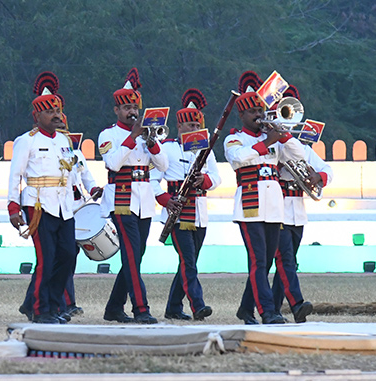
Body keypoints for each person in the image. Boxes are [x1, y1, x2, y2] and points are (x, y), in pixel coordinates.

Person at [8, 72, 96, 324]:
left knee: (67, 256)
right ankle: (41, 309)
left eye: (58, 111)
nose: (56, 115)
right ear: (37, 116)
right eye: (50, 112)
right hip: (38, 205)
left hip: (64, 207)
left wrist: (90, 190)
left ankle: (50, 304)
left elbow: (75, 169)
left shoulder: (65, 140)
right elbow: (15, 175)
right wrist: (13, 206)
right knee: (46, 259)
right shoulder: (26, 141)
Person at [226, 71, 306, 325]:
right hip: (250, 206)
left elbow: (299, 155)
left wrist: (283, 134)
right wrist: (268, 141)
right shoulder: (234, 138)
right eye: (253, 113)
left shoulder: (270, 135)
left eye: (261, 111)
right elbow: (239, 158)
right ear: (242, 115)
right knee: (258, 261)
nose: (259, 116)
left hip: (274, 207)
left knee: (267, 262)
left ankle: (246, 309)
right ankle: (268, 311)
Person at [98, 68, 168, 324]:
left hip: (144, 200)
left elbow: (162, 165)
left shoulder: (147, 134)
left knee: (135, 257)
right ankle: (141, 309)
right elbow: (113, 164)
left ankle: (114, 308)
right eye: (126, 107)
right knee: (129, 255)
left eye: (134, 106)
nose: (131, 111)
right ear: (116, 110)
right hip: (121, 199)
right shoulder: (109, 135)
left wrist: (151, 142)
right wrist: (133, 137)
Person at [154, 89, 219, 321]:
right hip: (179, 216)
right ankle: (198, 305)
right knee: (188, 262)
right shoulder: (167, 148)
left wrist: (205, 180)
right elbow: (152, 180)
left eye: (196, 125)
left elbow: (217, 178)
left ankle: (172, 307)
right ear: (179, 127)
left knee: (187, 263)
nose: (193, 129)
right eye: (189, 125)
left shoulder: (205, 150)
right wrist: (165, 200)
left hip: (200, 213)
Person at [269, 84, 326, 323]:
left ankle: (269, 308)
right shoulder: (273, 144)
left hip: (298, 211)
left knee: (287, 264)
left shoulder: (302, 147)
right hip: (278, 208)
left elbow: (326, 169)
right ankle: (297, 306)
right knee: (285, 261)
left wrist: (318, 177)